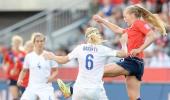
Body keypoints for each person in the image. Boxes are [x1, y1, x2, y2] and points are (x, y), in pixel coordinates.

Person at [93, 5, 166, 100]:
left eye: (125, 16)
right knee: (134, 98)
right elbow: (117, 29)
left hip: (132, 62)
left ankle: (80, 92)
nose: (124, 19)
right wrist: (102, 21)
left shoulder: (138, 23)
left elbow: (152, 35)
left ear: (132, 15)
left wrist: (139, 49)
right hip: (136, 63)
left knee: (96, 71)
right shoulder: (132, 28)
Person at [43, 27, 128, 100]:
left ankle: (69, 91)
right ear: (98, 36)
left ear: (86, 37)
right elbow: (124, 54)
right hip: (95, 89)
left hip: (78, 89)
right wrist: (123, 43)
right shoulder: (102, 49)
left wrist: (53, 57)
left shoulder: (80, 48)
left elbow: (64, 60)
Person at [17, 33, 58, 100]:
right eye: (37, 41)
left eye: (41, 41)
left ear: (44, 42)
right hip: (32, 87)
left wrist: (51, 77)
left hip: (46, 87)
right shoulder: (29, 56)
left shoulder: (50, 55)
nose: (40, 43)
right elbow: (24, 70)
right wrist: (20, 79)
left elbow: (55, 70)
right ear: (34, 43)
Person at [3, 35, 25, 100]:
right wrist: (8, 70)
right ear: (13, 43)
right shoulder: (9, 53)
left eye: (18, 42)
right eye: (15, 42)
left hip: (22, 78)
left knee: (23, 96)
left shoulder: (23, 53)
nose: (16, 44)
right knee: (15, 97)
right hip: (12, 78)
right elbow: (5, 64)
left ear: (21, 43)